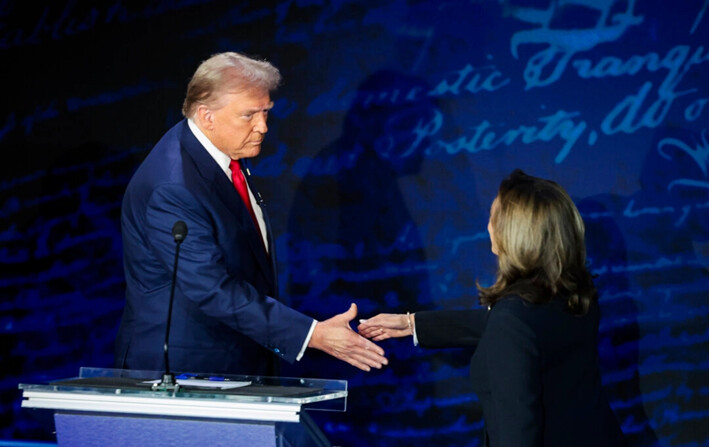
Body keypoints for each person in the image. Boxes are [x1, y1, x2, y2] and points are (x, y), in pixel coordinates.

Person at [115, 52, 387, 377]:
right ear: (207, 116)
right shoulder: (173, 187)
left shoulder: (217, 150)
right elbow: (211, 288)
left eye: (266, 112)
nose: (263, 127)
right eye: (249, 116)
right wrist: (310, 334)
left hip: (236, 361)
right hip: (186, 374)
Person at [358, 169, 627, 446]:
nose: (487, 227)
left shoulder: (514, 319)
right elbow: (518, 328)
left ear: (513, 235)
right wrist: (412, 323)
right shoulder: (575, 293)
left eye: (492, 218)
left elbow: (517, 435)